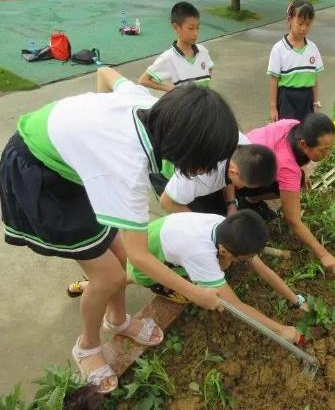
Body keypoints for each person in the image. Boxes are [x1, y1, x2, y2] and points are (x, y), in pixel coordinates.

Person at [0, 66, 237, 393]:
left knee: (120, 257)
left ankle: (118, 320)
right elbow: (141, 259)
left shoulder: (147, 106)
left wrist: (91, 141)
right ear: (185, 149)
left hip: (77, 167)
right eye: (206, 162)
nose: (208, 170)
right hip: (41, 176)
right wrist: (197, 292)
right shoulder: (126, 169)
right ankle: (87, 346)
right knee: (108, 275)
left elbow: (105, 72)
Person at [68, 210, 308, 343]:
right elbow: (235, 305)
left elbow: (260, 266)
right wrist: (280, 330)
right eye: (242, 258)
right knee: (131, 278)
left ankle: (90, 283)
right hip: (150, 260)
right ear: (224, 250)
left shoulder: (225, 228)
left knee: (122, 275)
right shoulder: (201, 254)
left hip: (158, 235)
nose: (247, 262)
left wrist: (295, 299)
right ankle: (93, 285)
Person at [239, 113, 335, 288]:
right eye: (324, 149)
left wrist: (299, 174)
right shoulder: (287, 166)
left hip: (246, 154)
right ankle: (244, 198)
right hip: (238, 175)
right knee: (291, 185)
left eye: (330, 147)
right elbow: (293, 220)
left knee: (295, 181)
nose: (328, 153)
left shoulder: (294, 126)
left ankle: (252, 199)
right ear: (304, 145)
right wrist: (323, 254)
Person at [159, 139, 277, 216]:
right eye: (243, 184)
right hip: (167, 165)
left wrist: (231, 205)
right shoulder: (199, 176)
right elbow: (166, 202)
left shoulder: (244, 150)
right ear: (233, 171)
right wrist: (200, 223)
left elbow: (228, 177)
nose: (241, 187)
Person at [268, 0, 323, 122]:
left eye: (308, 24)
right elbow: (273, 80)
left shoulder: (312, 48)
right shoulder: (279, 49)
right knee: (288, 135)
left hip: (307, 98)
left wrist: (315, 101)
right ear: (289, 20)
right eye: (300, 23)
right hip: (287, 99)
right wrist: (273, 108)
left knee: (306, 134)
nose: (304, 28)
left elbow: (314, 79)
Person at [139, 1, 214, 91]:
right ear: (176, 27)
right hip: (184, 105)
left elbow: (210, 67)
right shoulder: (168, 57)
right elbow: (143, 80)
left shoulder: (203, 51)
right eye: (190, 28)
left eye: (197, 28)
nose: (196, 33)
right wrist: (172, 90)